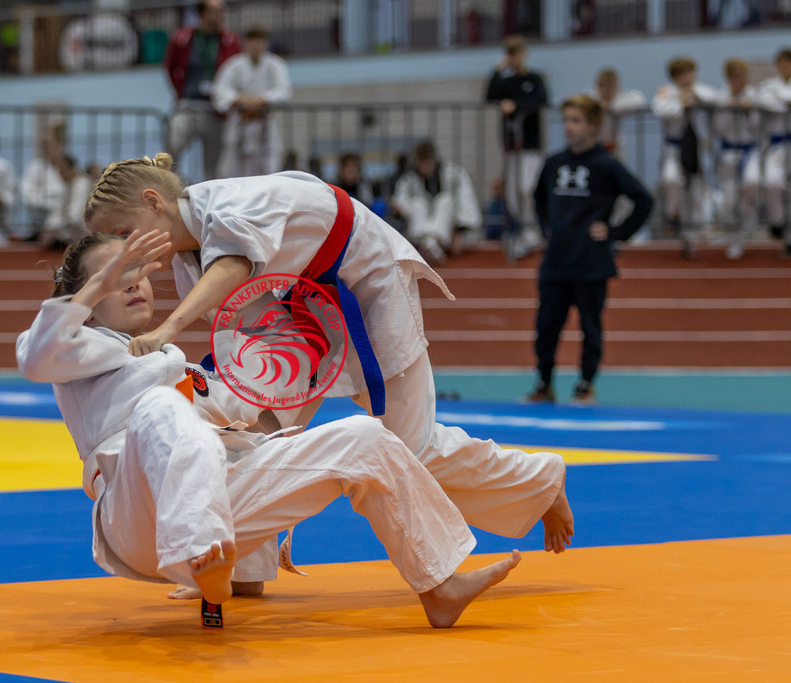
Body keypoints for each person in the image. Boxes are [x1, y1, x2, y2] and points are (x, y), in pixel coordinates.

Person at [16, 230, 523, 626]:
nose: (131, 282)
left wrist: (293, 350)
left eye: (135, 271)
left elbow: (244, 418)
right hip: (134, 519)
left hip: (210, 512)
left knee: (362, 437)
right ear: (83, 302)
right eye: (112, 277)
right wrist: (91, 289)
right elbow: (34, 355)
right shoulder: (75, 354)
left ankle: (439, 585)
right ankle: (201, 553)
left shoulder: (175, 362)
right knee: (160, 407)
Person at [81, 154, 575, 556]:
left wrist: (169, 327)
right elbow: (244, 327)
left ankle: (541, 480)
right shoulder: (189, 262)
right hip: (299, 312)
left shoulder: (225, 204)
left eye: (124, 233)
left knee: (410, 449)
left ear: (153, 202)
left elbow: (234, 265)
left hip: (365, 281)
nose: (124, 251)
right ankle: (234, 569)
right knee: (257, 437)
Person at [528, 95, 653, 406]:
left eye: (576, 121)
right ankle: (544, 383)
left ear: (593, 126)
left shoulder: (606, 164)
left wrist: (616, 232)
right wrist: (548, 228)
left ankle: (585, 385)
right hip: (556, 260)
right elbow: (539, 198)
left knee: (590, 327)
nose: (569, 127)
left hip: (591, 262)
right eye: (566, 120)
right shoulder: (554, 163)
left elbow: (643, 199)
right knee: (546, 326)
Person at [485, 35, 548, 260]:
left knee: (527, 188)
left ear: (524, 54)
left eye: (517, 53)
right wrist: (497, 70)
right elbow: (490, 95)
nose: (514, 58)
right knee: (512, 193)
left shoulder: (534, 78)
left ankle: (533, 229)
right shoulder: (506, 81)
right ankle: (523, 229)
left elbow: (540, 100)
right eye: (510, 54)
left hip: (530, 146)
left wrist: (516, 106)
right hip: (511, 146)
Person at [163, 0, 241, 180]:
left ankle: (212, 194)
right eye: (216, 11)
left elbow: (237, 71)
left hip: (216, 110)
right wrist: (180, 90)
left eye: (222, 11)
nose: (221, 16)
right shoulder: (183, 39)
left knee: (215, 163)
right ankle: (167, 186)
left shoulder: (230, 42)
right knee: (173, 146)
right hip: (188, 105)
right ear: (202, 14)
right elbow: (170, 67)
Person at [651, 57, 719, 259]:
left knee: (696, 194)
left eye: (691, 73)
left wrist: (695, 96)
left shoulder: (700, 90)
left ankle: (691, 240)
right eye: (684, 74)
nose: (689, 78)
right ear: (675, 76)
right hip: (674, 147)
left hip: (696, 148)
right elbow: (660, 109)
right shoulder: (666, 92)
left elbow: (717, 98)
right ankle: (673, 213)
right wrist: (679, 102)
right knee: (671, 180)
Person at [210, 25, 291, 178]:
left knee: (269, 169)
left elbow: (283, 91)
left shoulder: (275, 65)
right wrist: (240, 98)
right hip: (239, 122)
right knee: (234, 171)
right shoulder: (234, 65)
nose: (255, 45)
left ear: (265, 43)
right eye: (252, 41)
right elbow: (220, 90)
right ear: (245, 43)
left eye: (259, 41)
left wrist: (261, 99)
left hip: (264, 122)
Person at [391, 141, 483, 261]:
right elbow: (400, 202)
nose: (424, 167)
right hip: (417, 235)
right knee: (418, 204)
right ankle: (429, 241)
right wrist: (398, 208)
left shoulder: (455, 175)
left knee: (444, 201)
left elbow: (466, 202)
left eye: (427, 162)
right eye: (421, 163)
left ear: (435, 159)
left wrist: (460, 231)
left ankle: (431, 241)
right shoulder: (409, 180)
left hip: (450, 234)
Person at [712, 58, 762, 260]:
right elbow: (718, 129)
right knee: (729, 199)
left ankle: (748, 221)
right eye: (736, 77)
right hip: (729, 151)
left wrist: (749, 111)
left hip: (750, 150)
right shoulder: (720, 97)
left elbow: (758, 127)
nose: (740, 81)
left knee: (752, 183)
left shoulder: (754, 95)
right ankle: (733, 239)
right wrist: (730, 109)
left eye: (742, 76)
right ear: (729, 78)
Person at [754, 48, 791, 258]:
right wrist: (784, 101)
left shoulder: (776, 89)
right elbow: (763, 100)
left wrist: (781, 97)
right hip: (777, 144)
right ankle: (777, 223)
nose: (785, 67)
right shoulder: (769, 85)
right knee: (772, 183)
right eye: (782, 63)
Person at [20, 126, 67, 241]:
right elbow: (28, 198)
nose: (44, 148)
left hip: (65, 231)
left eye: (48, 143)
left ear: (60, 144)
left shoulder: (69, 168)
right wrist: (53, 202)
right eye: (42, 144)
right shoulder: (34, 168)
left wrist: (46, 196)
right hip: (39, 228)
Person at [38, 155, 94, 250]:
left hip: (81, 236)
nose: (60, 173)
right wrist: (50, 227)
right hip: (72, 235)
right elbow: (59, 211)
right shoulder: (69, 185)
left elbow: (75, 217)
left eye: (62, 169)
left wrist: (54, 230)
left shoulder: (81, 185)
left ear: (71, 168)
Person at [592, 68, 647, 158]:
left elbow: (640, 101)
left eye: (610, 87)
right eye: (603, 86)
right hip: (595, 145)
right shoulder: (591, 100)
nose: (606, 90)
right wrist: (599, 106)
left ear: (616, 87)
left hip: (616, 147)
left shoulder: (620, 100)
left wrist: (611, 106)